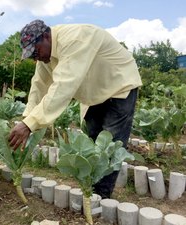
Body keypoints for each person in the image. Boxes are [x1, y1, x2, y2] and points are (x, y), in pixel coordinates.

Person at [8, 19, 142, 198]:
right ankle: (92, 192)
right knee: (94, 141)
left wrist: (29, 125)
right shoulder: (45, 57)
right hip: (93, 93)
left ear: (46, 36)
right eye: (32, 56)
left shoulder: (74, 40)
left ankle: (101, 198)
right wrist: (25, 119)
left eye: (36, 52)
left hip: (119, 85)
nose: (36, 58)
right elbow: (38, 87)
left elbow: (63, 87)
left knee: (110, 145)